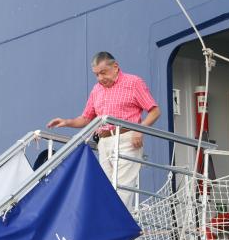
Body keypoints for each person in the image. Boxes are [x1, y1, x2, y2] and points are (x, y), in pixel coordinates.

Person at [47, 52, 160, 208]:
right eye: (96, 75)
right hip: (104, 143)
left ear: (115, 67)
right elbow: (86, 118)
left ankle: (117, 229)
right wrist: (66, 122)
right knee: (106, 189)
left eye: (103, 73)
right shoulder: (97, 89)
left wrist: (139, 130)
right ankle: (111, 228)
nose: (100, 78)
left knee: (121, 189)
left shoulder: (134, 82)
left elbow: (154, 111)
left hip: (126, 140)